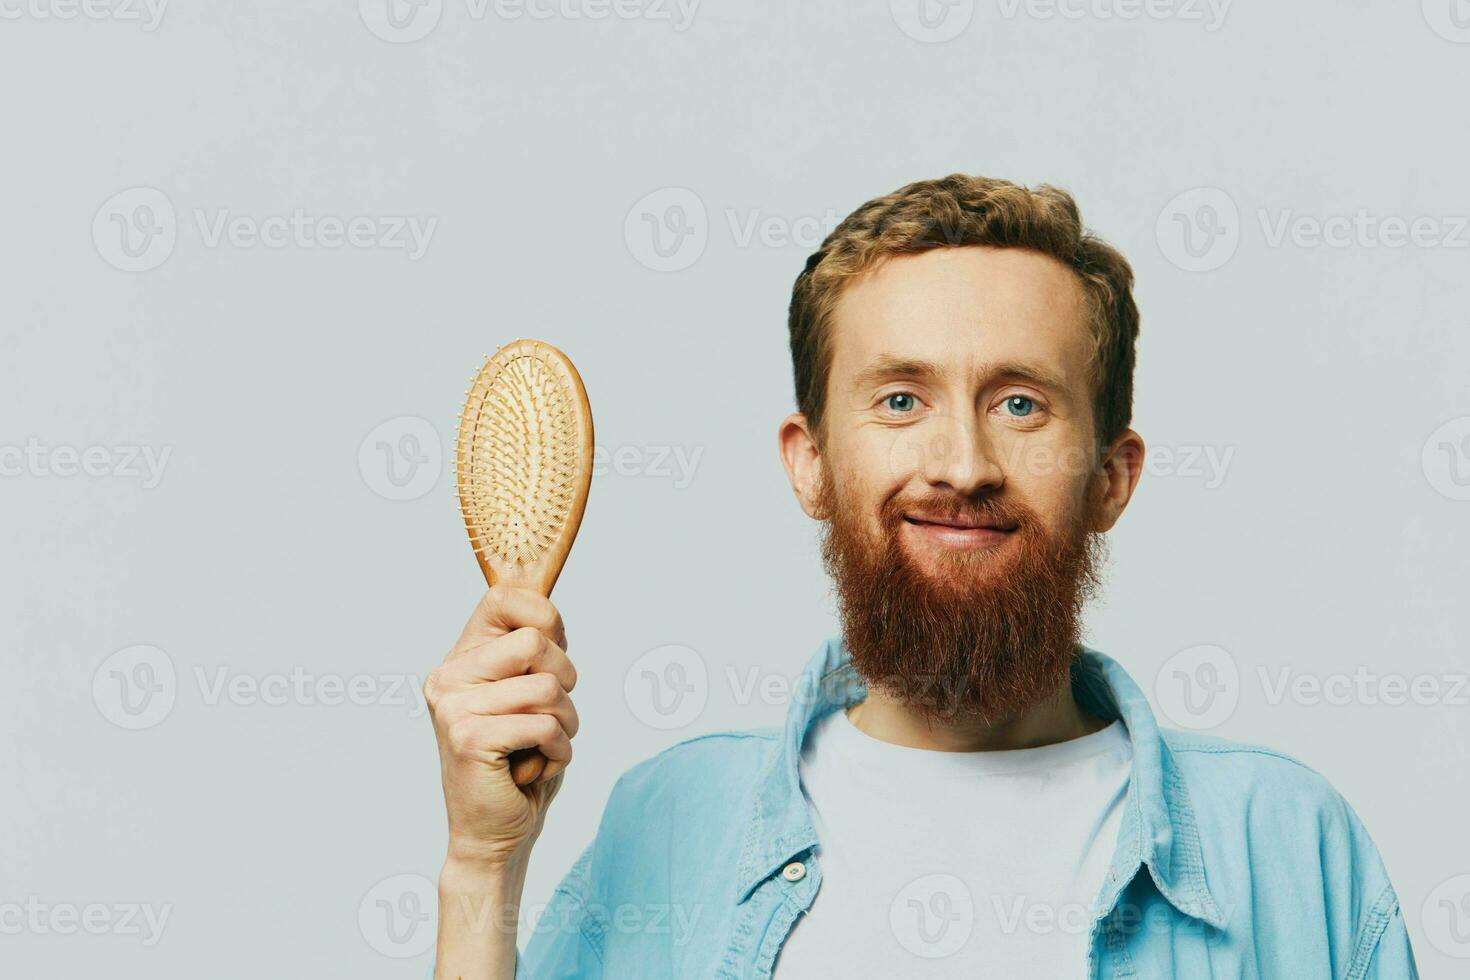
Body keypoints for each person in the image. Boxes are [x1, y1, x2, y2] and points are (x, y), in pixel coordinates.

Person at [423, 174, 1419, 978]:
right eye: (901, 398)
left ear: (1112, 476)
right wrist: (481, 860)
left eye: (1021, 404)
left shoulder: (1290, 848)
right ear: (809, 461)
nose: (962, 463)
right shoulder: (671, 822)